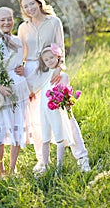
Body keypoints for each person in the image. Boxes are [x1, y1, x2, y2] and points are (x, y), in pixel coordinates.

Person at [18, 0, 90, 173]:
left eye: (31, 3)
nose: (29, 8)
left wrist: (59, 67)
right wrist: (18, 68)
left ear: (39, 2)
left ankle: (81, 157)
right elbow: (21, 54)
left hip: (52, 71)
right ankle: (42, 161)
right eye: (25, 6)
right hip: (31, 74)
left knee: (65, 114)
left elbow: (61, 48)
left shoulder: (54, 21)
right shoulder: (23, 27)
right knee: (36, 120)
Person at [0, 7, 31, 176]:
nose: (6, 22)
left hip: (18, 87)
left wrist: (23, 68)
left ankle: (12, 167)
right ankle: (0, 167)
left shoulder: (17, 40)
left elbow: (21, 62)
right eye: (2, 19)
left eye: (9, 19)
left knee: (17, 127)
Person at [38, 44, 75, 174]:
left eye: (52, 58)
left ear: (58, 56)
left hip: (55, 110)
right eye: (46, 60)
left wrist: (65, 102)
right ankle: (45, 166)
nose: (49, 61)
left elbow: (66, 94)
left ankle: (59, 167)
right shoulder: (44, 75)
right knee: (45, 138)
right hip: (44, 111)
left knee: (60, 137)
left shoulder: (62, 76)